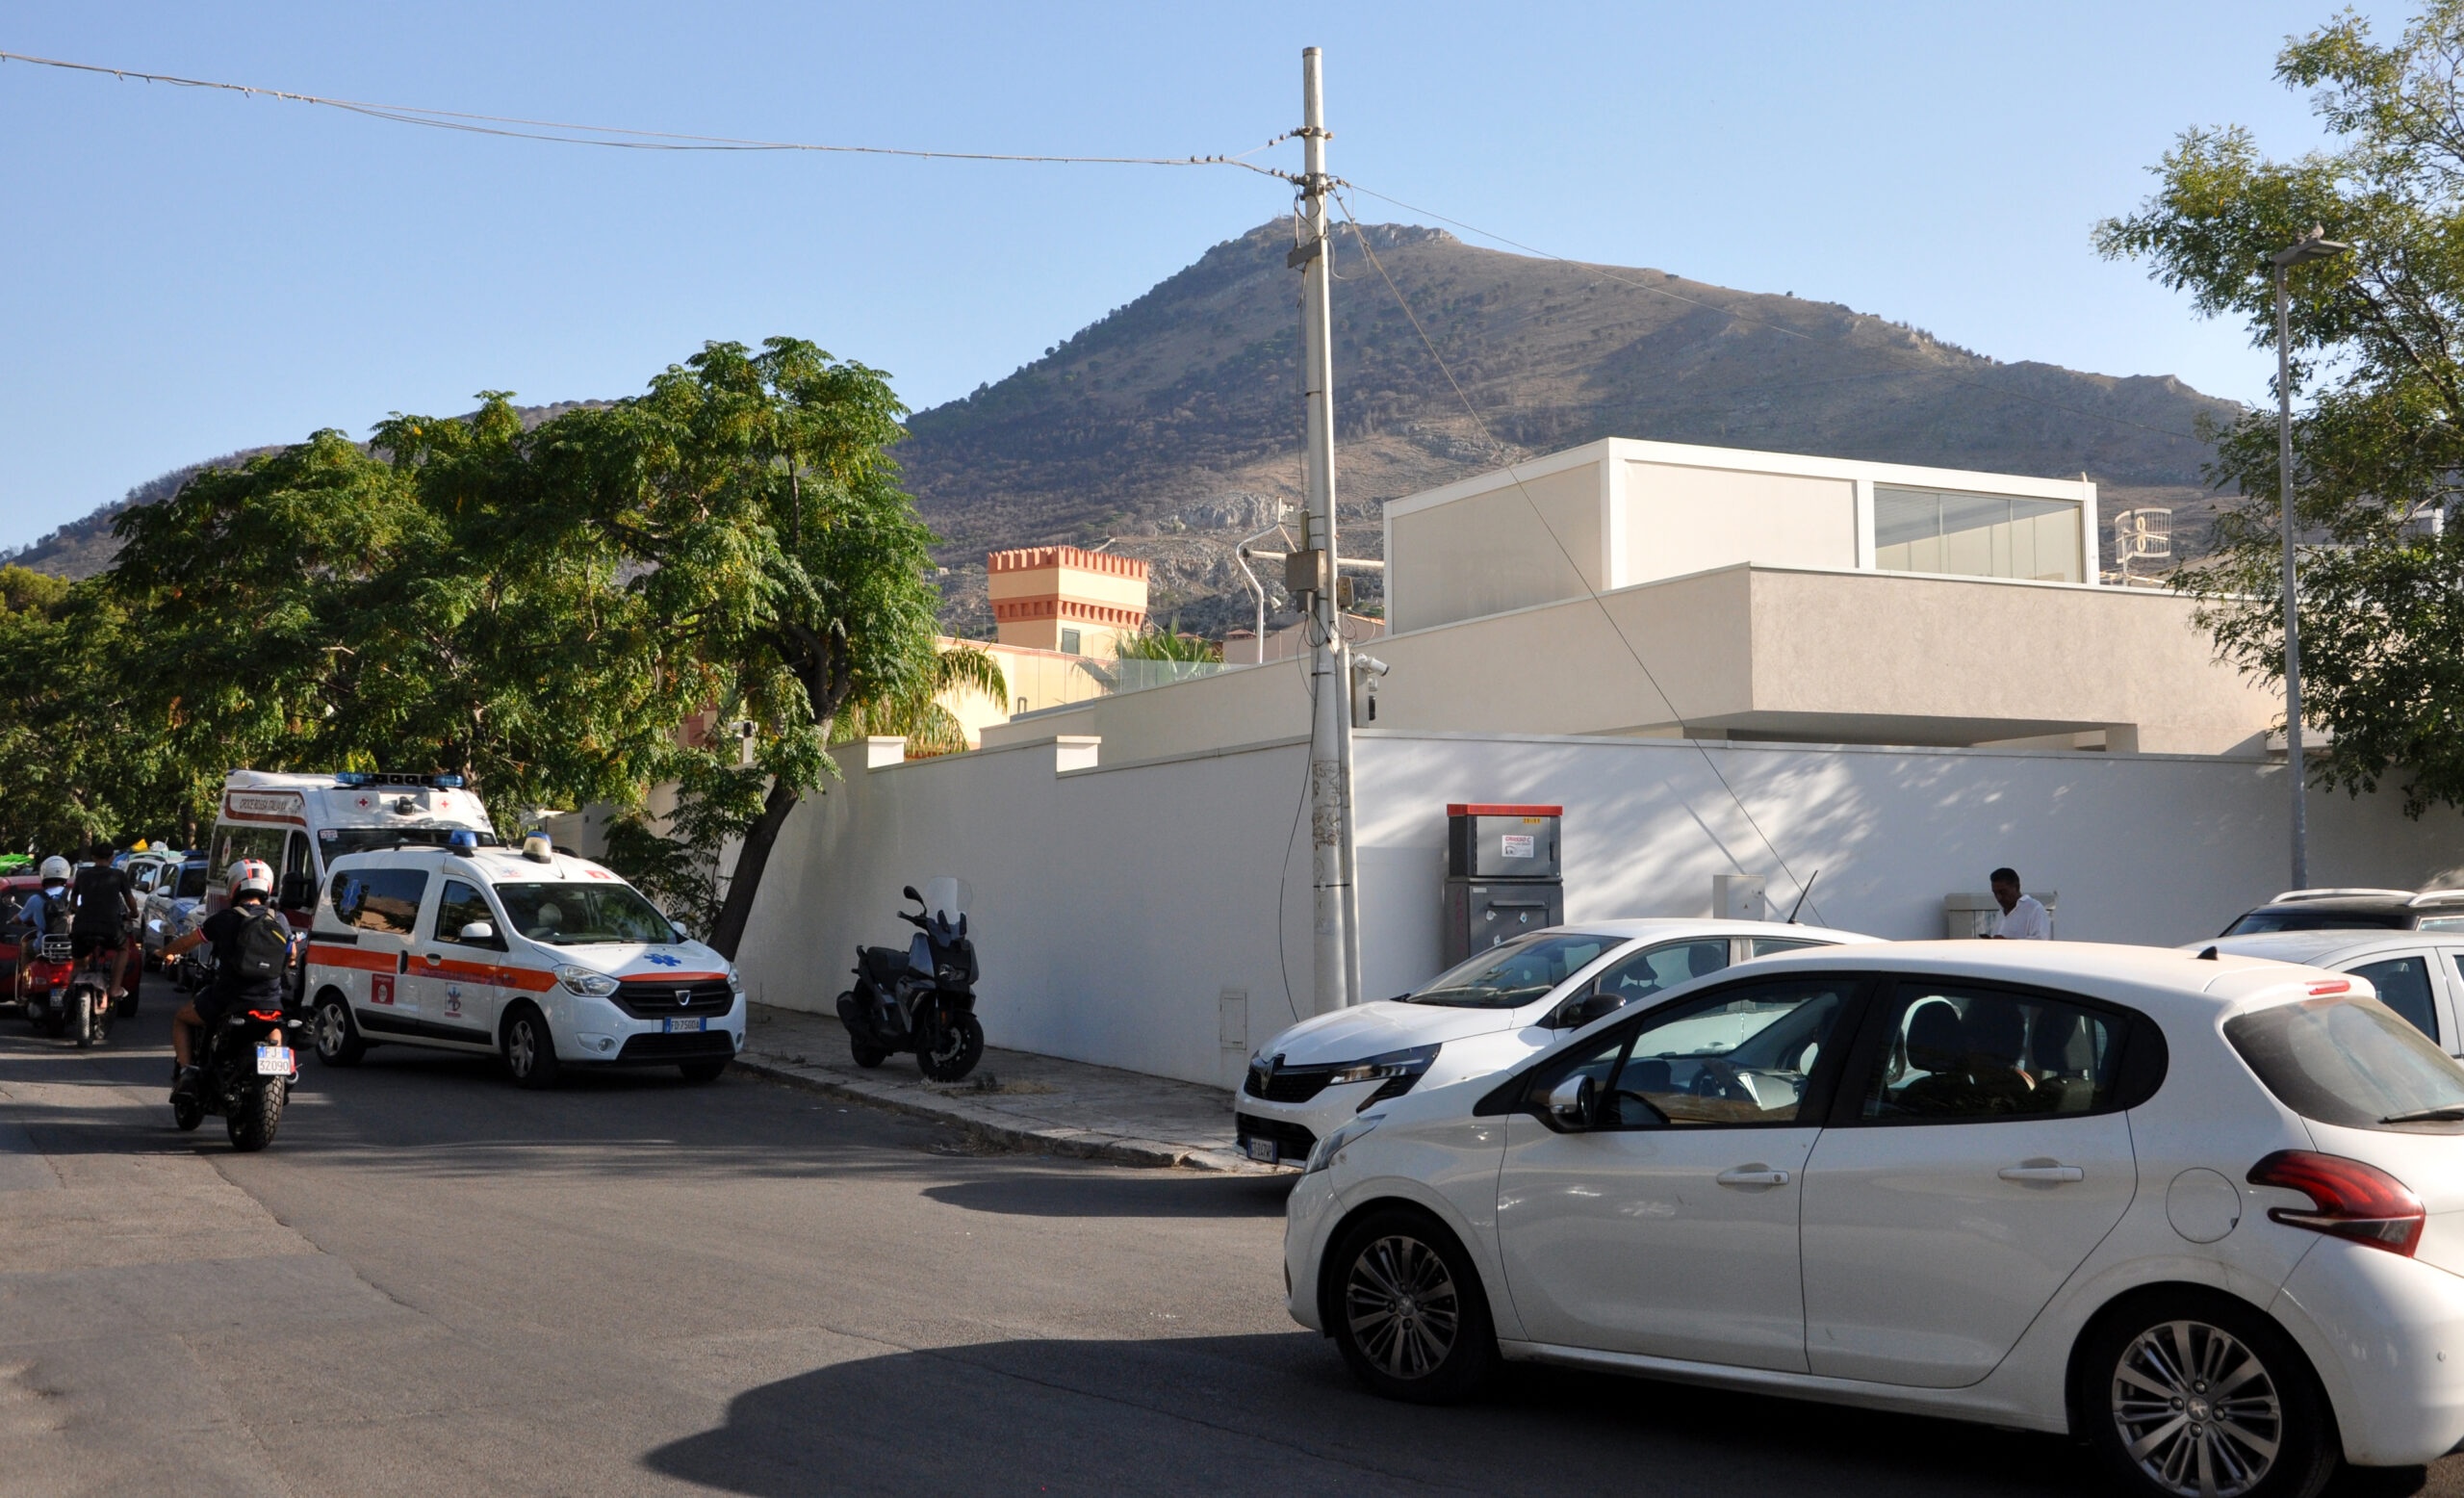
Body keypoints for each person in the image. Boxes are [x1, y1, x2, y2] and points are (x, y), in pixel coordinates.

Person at [161, 860, 288, 1096]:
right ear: (267, 887)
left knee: (181, 1018)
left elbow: (189, 941)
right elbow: (290, 958)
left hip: (229, 998)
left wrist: (166, 952)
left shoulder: (224, 919)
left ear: (234, 886)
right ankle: (280, 1075)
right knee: (274, 1027)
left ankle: (188, 1071)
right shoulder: (279, 920)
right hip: (270, 1000)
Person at [69, 841, 141, 1001]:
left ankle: (71, 990)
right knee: (123, 949)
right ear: (112, 858)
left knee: (79, 961)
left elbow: (73, 903)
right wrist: (134, 913)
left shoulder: (82, 875)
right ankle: (115, 989)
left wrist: (77, 910)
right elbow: (130, 901)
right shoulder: (118, 875)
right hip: (110, 927)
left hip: (82, 926)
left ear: (93, 857)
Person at [1985, 866, 2052, 940]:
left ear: (2016, 887)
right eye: (1995, 893)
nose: (1999, 897)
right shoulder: (2001, 913)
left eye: (2003, 892)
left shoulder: (2034, 909)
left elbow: (2041, 941)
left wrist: (2007, 942)